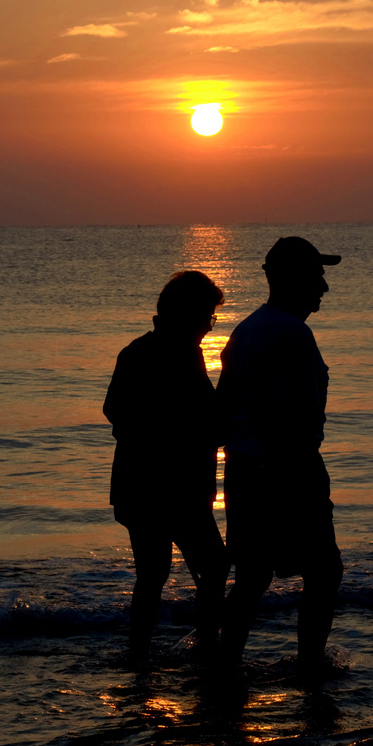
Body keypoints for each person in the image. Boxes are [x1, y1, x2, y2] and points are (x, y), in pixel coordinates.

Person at [217, 236, 345, 673]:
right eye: (316, 276)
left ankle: (226, 661)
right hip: (286, 469)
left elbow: (224, 409)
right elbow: (295, 417)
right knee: (324, 572)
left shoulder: (246, 330)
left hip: (244, 469)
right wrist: (301, 473)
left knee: (251, 576)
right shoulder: (293, 334)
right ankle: (310, 664)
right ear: (291, 279)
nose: (324, 288)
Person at [103, 269, 229, 660]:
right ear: (187, 313)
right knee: (212, 566)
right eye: (207, 317)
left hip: (142, 489)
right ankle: (206, 648)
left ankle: (141, 656)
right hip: (170, 491)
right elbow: (202, 418)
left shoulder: (141, 350)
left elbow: (115, 411)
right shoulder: (177, 352)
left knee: (153, 576)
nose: (209, 328)